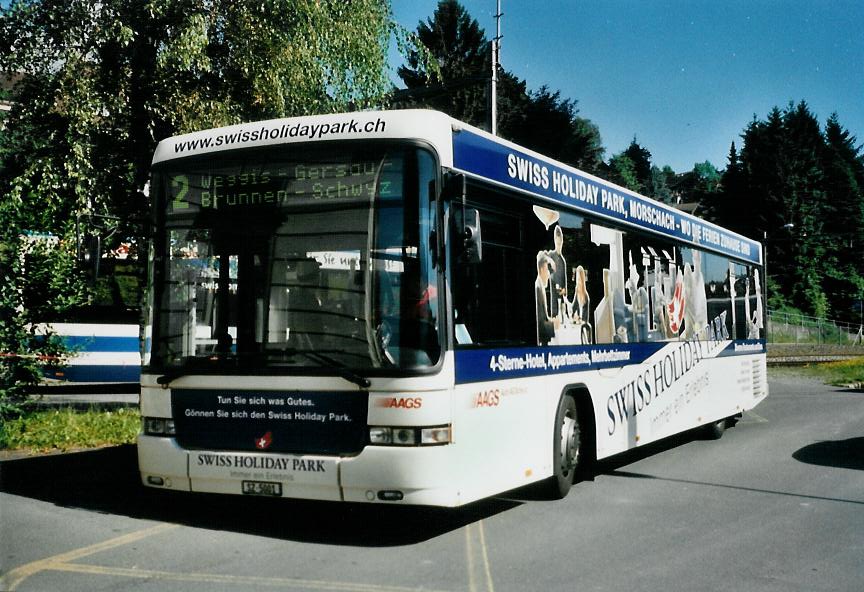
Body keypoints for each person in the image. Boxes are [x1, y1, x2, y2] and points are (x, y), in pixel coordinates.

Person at [535, 251, 560, 345]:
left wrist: (551, 320)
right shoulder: (537, 289)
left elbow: (543, 318)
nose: (549, 274)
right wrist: (554, 325)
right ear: (541, 269)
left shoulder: (540, 286)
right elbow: (539, 326)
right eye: (547, 270)